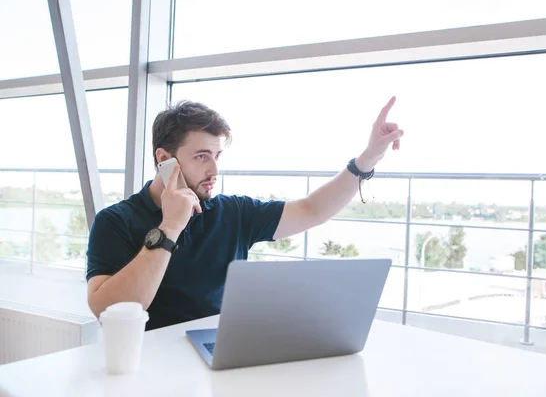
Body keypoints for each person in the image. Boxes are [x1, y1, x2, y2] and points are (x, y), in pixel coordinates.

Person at [86, 98, 404, 330]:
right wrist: (169, 227)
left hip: (220, 360)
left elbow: (312, 211)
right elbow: (106, 309)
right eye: (201, 156)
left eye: (217, 155)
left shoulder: (232, 212)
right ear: (164, 158)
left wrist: (369, 158)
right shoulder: (115, 221)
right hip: (149, 370)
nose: (214, 169)